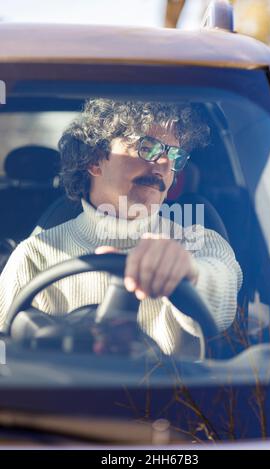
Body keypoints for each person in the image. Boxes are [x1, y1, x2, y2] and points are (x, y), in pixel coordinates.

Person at [0, 99, 243, 360]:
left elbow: (225, 292)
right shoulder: (34, 256)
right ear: (94, 160)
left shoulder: (198, 241)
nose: (163, 166)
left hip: (172, 400)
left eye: (174, 156)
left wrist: (191, 273)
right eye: (147, 148)